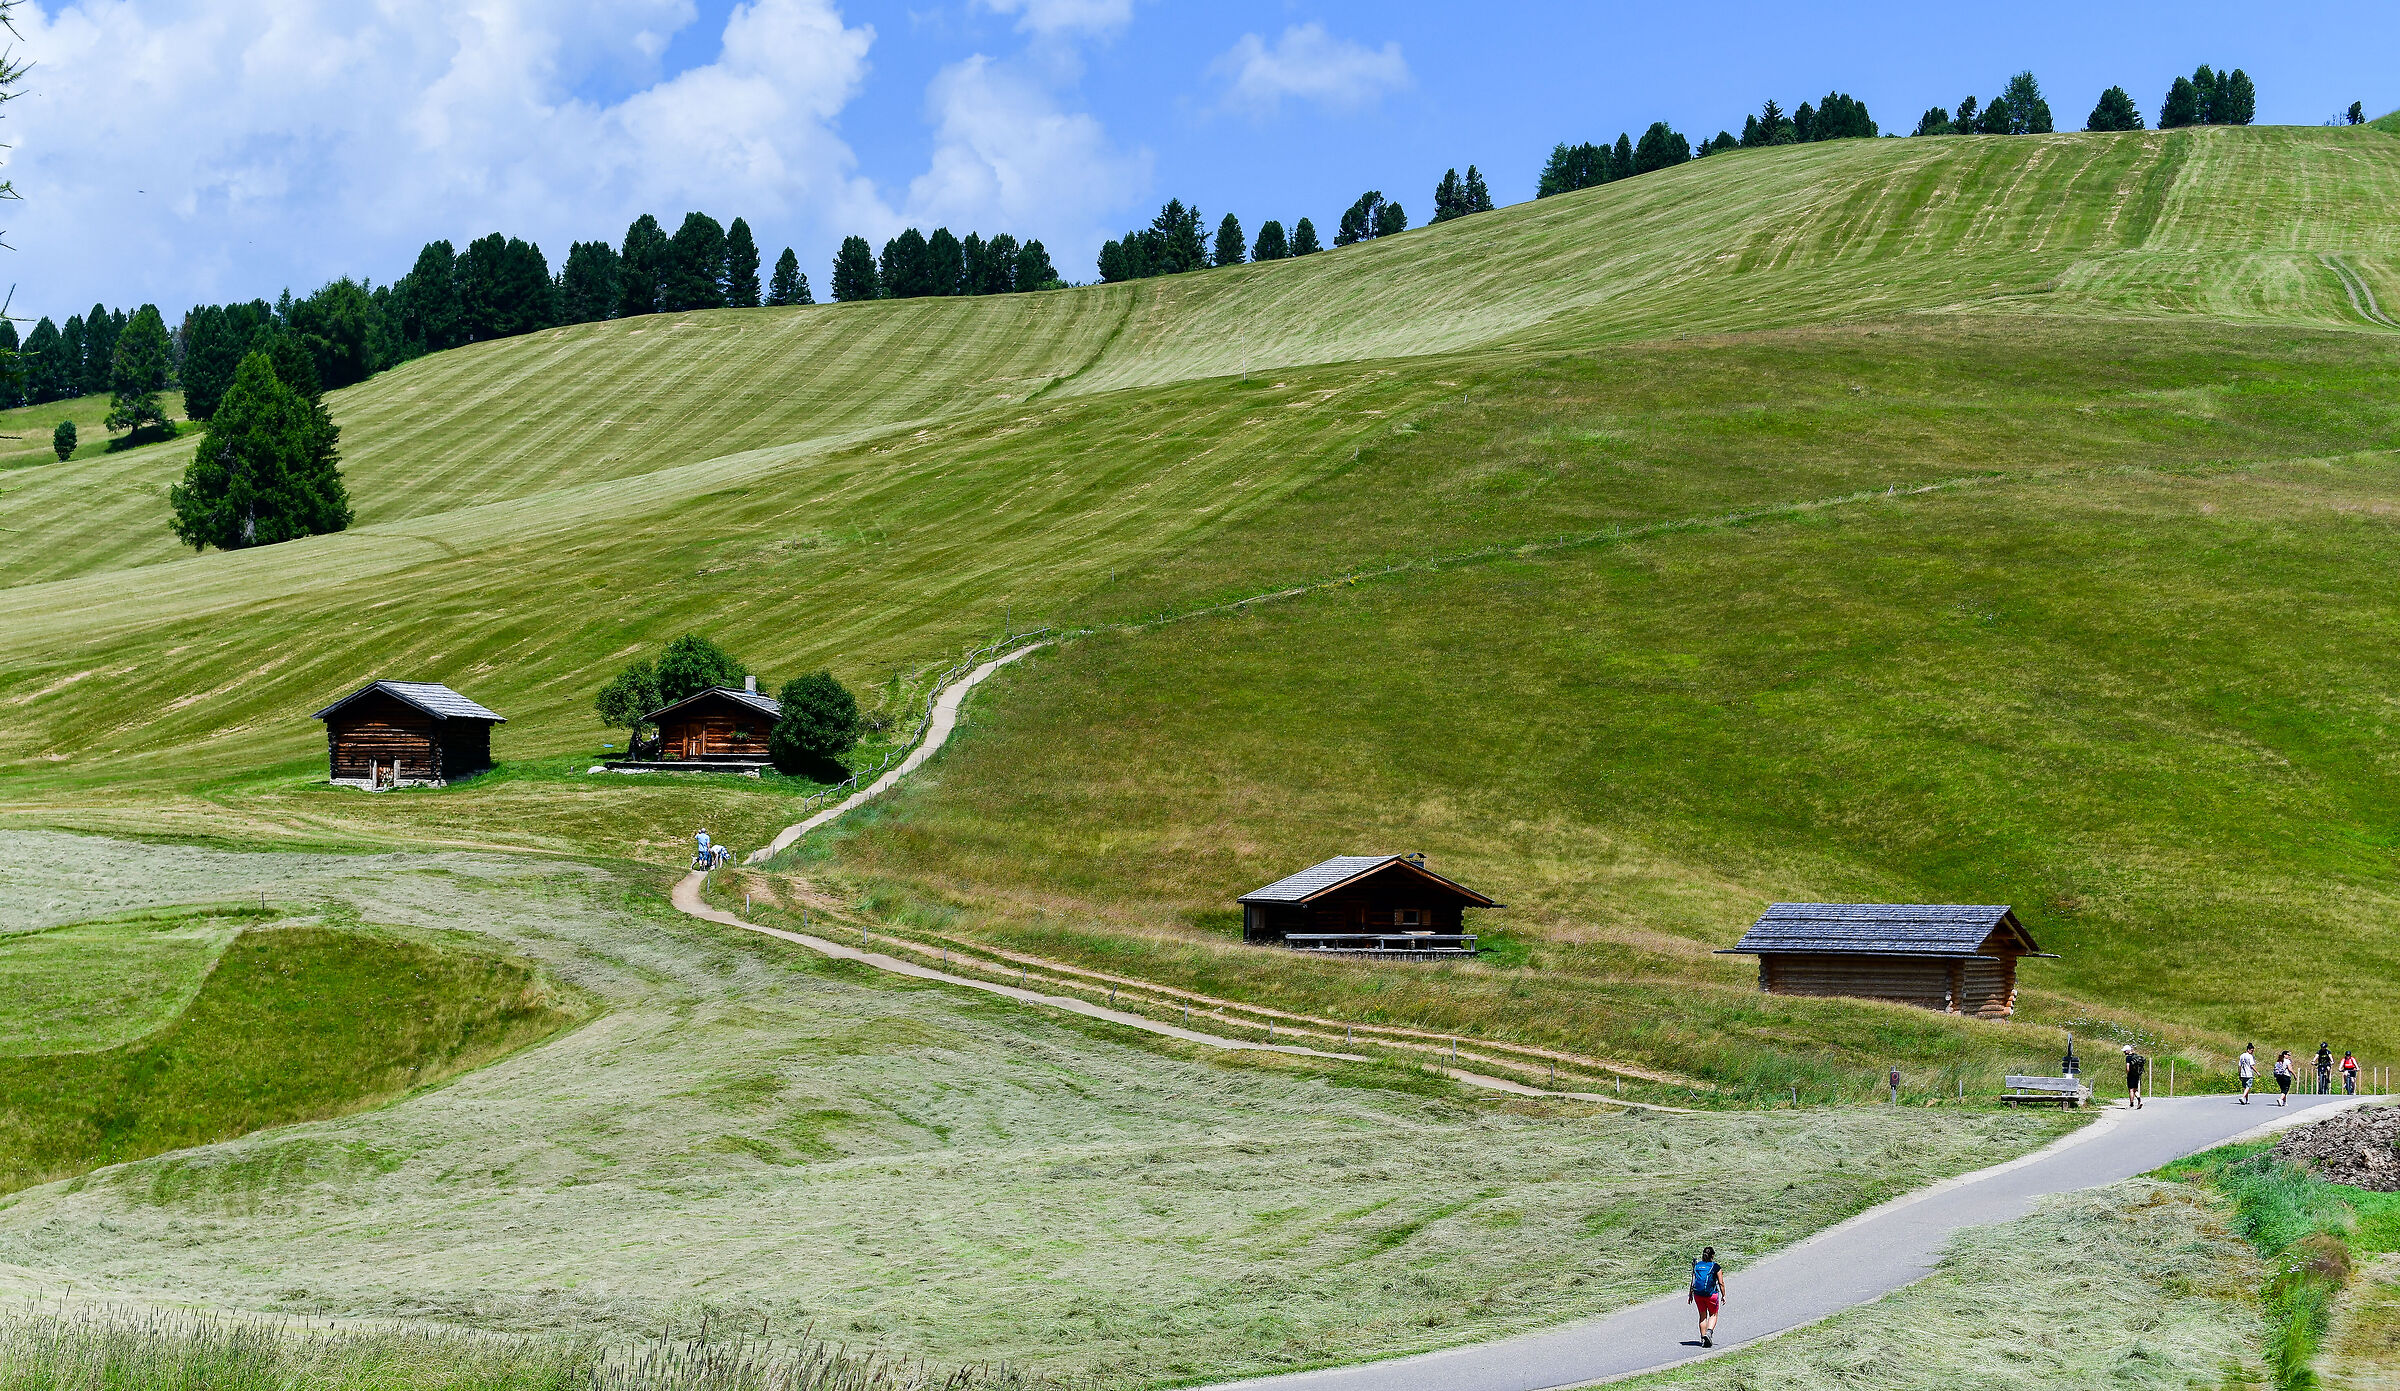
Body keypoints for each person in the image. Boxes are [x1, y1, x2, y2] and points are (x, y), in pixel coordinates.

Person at [1690, 1246, 1726, 1348]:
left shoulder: (1697, 1266)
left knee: (1702, 1316)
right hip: (1711, 1295)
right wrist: (1723, 1295)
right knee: (1713, 1314)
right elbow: (1721, 1282)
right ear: (1712, 1256)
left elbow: (1693, 1281)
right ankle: (1709, 1333)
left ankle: (1703, 1338)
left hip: (1698, 1295)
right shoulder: (1715, 1266)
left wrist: (1690, 1294)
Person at [2123, 1044, 2147, 1110]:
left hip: (2131, 1075)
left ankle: (2131, 1104)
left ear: (2128, 1051)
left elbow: (2127, 1067)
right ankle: (2139, 1101)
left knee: (2131, 1090)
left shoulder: (2128, 1058)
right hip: (2137, 1075)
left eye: (2125, 1051)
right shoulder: (2136, 1056)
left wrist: (2127, 1073)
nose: (2124, 1052)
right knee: (2135, 1089)